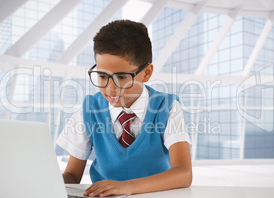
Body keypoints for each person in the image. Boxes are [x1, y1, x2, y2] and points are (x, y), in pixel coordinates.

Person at [56, 19, 192, 197]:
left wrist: (126, 187)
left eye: (122, 77)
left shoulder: (166, 107)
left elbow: (184, 173)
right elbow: (72, 174)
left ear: (146, 73)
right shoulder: (90, 108)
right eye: (103, 76)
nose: (111, 88)